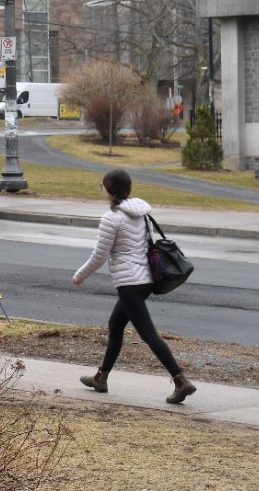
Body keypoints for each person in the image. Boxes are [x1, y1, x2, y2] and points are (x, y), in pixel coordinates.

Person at [71, 168, 196, 404]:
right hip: (145, 280)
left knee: (149, 335)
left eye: (103, 186)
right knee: (115, 325)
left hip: (129, 283)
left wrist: (80, 275)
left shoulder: (111, 218)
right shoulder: (140, 213)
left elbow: (100, 255)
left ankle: (181, 380)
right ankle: (101, 377)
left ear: (109, 190)